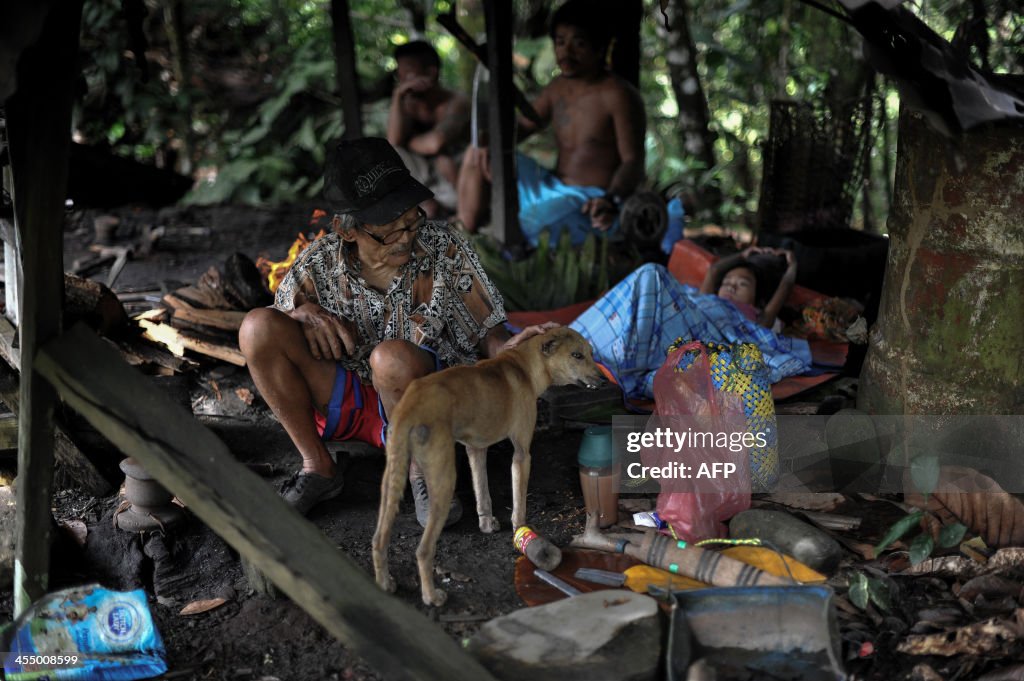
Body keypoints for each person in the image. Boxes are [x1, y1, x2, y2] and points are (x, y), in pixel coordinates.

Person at [239, 137, 553, 518]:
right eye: (390, 229)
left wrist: (510, 352)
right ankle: (317, 466)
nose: (407, 235)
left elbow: (488, 331)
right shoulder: (318, 263)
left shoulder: (443, 247)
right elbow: (276, 327)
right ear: (347, 229)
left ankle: (423, 473)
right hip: (348, 400)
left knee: (391, 358)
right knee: (256, 328)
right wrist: (299, 314)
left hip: (425, 398)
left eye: (411, 217)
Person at [455, 0, 646, 246]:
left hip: (588, 198)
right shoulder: (557, 88)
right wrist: (487, 139)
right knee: (477, 151)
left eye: (579, 43)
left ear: (600, 48)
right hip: (550, 185)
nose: (566, 52)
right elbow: (523, 128)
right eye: (560, 42)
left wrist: (611, 200)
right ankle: (462, 234)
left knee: (534, 224)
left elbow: (633, 161)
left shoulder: (618, 95)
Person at [568, 249, 811, 400]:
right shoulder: (702, 298)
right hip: (659, 331)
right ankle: (580, 347)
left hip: (695, 339)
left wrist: (792, 267)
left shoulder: (753, 316)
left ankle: (616, 364)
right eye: (728, 281)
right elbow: (715, 269)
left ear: (757, 301)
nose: (732, 286)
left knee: (651, 273)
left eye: (743, 284)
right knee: (643, 286)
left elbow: (783, 291)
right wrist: (744, 255)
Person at [386, 40, 470, 218]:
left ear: (431, 72)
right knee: (393, 154)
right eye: (399, 74)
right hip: (431, 182)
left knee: (445, 159)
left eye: (408, 74)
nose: (403, 81)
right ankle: (427, 205)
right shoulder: (408, 105)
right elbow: (393, 142)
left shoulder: (457, 102)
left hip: (460, 182)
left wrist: (409, 142)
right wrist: (398, 95)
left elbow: (435, 143)